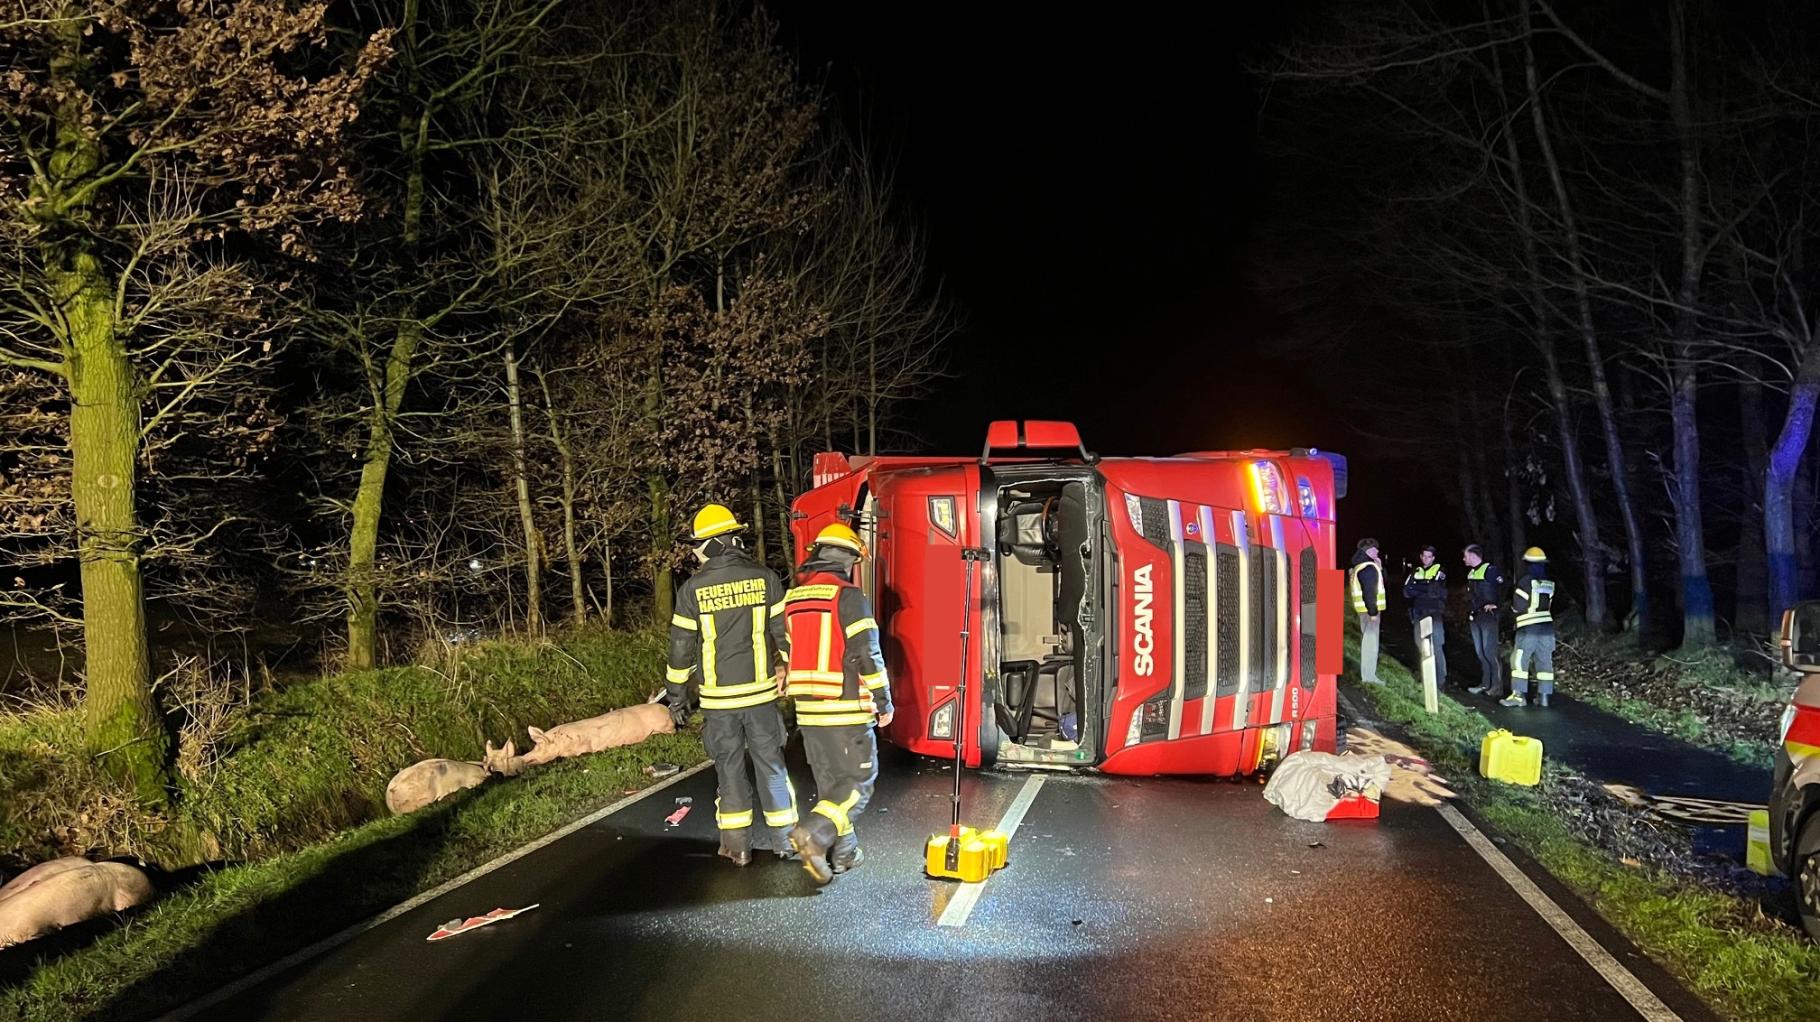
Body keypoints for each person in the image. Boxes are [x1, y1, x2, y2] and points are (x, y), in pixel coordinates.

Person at [665, 503, 796, 866]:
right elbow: (785, 636)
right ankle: (785, 841)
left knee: (730, 770)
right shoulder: (767, 578)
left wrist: (677, 697)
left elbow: (680, 650)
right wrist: (791, 670)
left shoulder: (692, 590)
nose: (694, 554)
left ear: (712, 544)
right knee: (772, 765)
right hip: (761, 697)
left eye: (696, 546)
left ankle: (737, 848)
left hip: (719, 703)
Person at [782, 522, 894, 885]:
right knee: (858, 784)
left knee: (832, 789)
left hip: (808, 714)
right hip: (845, 710)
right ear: (847, 559)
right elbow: (866, 652)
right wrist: (883, 700)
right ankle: (813, 834)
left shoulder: (793, 598)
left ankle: (844, 853)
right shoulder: (848, 597)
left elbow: (784, 644)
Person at [1501, 547, 1557, 708]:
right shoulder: (1549, 583)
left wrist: (1512, 611)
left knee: (1519, 661)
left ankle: (1518, 696)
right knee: (1545, 661)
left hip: (1528, 628)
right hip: (1547, 628)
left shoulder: (1525, 581)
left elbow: (1518, 606)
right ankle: (1544, 697)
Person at [1463, 544, 1507, 696]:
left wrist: (1497, 605)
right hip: (1475, 616)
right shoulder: (1471, 573)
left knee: (1490, 652)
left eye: (1466, 556)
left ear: (1474, 556)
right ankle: (1485, 683)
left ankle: (1496, 686)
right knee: (1480, 652)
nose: (1464, 559)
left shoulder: (1490, 571)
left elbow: (1504, 587)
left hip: (1489, 617)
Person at [1404, 545, 1448, 688]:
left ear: (1433, 558)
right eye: (1424, 556)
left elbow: (1434, 591)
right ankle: (1426, 678)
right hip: (1418, 613)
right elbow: (1406, 591)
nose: (1426, 559)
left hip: (1434, 613)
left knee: (1436, 646)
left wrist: (1417, 587)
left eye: (1429, 556)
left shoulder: (1440, 570)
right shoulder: (1415, 571)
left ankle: (1440, 680)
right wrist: (1425, 587)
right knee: (1421, 645)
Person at [1349, 538, 1387, 684]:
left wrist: (1380, 568)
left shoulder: (1359, 566)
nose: (1377, 551)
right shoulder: (1369, 568)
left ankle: (1368, 675)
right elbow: (1370, 593)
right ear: (1368, 551)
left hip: (1363, 611)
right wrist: (1373, 613)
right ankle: (1369, 677)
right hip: (1370, 612)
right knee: (1371, 644)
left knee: (1368, 642)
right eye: (1375, 549)